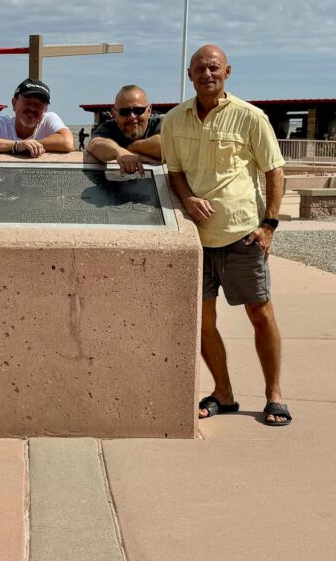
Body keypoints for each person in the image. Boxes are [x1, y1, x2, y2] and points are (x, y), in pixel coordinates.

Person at [162, 44, 291, 426]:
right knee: (203, 322)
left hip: (242, 235)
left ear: (227, 72)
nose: (207, 74)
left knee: (260, 314)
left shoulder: (250, 117)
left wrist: (269, 225)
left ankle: (274, 395)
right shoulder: (174, 120)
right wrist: (187, 198)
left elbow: (274, 170)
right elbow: (174, 171)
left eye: (214, 68)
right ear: (189, 75)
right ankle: (224, 393)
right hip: (196, 239)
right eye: (200, 68)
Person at [0, 78, 74, 157]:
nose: (32, 108)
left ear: (45, 110)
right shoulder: (2, 123)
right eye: (27, 102)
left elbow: (67, 142)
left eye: (39, 105)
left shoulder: (49, 119)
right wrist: (17, 145)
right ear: (14, 103)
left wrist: (30, 145)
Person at [86, 85, 163, 176]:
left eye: (138, 110)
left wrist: (131, 148)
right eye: (125, 112)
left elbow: (167, 146)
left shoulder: (160, 124)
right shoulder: (109, 128)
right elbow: (95, 144)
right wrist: (118, 152)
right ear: (114, 114)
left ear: (149, 111)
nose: (132, 117)